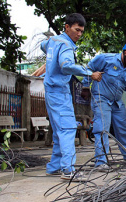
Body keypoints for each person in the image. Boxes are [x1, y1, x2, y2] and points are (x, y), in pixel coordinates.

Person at [41, 13, 102, 181]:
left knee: (58, 131)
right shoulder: (67, 45)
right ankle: (68, 170)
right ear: (67, 27)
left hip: (50, 91)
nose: (79, 34)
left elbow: (42, 45)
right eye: (77, 30)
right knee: (67, 129)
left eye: (82, 31)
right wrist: (90, 73)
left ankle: (54, 167)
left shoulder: (53, 41)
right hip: (59, 91)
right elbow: (66, 65)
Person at [81, 40, 126, 170]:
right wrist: (86, 86)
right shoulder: (105, 59)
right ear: (125, 53)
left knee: (124, 128)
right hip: (101, 98)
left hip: (116, 101)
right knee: (102, 128)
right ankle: (101, 162)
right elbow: (89, 69)